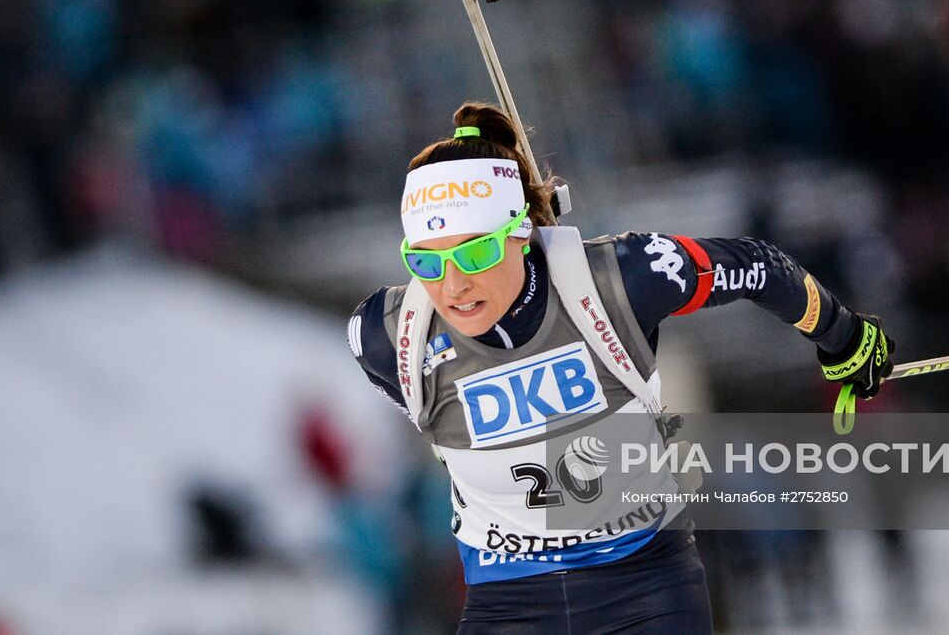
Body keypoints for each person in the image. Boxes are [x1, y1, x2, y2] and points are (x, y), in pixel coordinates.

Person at [349, 101, 895, 633]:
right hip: (507, 604)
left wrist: (842, 337)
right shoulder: (384, 334)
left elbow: (755, 266)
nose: (453, 285)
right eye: (425, 260)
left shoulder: (622, 280)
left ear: (520, 232)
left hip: (644, 589)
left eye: (474, 254)